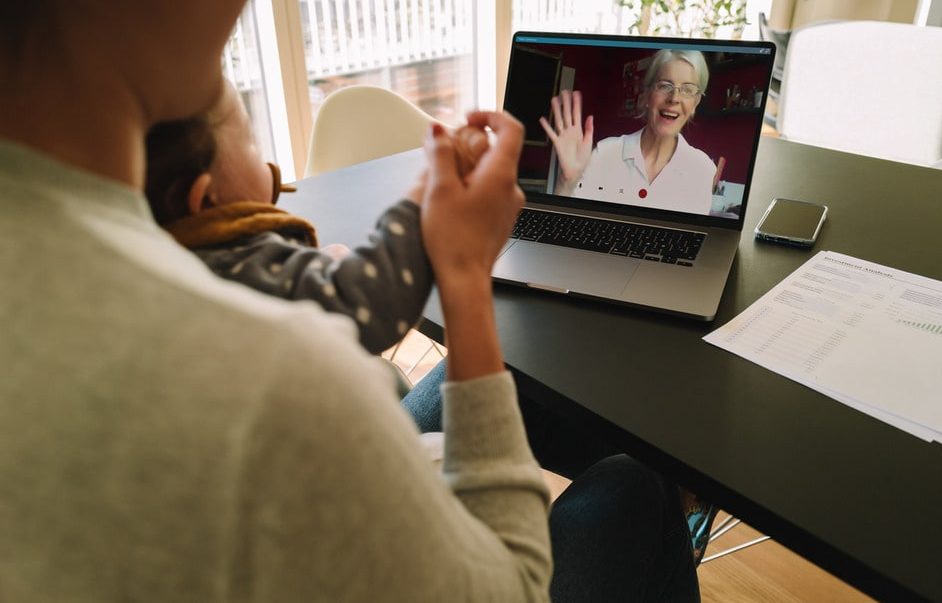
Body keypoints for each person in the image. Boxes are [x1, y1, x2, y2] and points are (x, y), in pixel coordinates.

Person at [0, 3, 698, 602]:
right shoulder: (270, 366)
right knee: (638, 487)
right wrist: (461, 274)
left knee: (518, 386)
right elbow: (506, 587)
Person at [144, 79, 437, 355]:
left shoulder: (171, 264)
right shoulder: (241, 265)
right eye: (253, 145)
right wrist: (421, 196)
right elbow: (373, 302)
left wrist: (317, 269)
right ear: (207, 198)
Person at [539, 49, 717, 215]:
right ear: (647, 94)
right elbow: (569, 224)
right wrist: (567, 181)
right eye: (665, 86)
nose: (674, 98)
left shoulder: (703, 170)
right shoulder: (606, 152)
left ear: (695, 103)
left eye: (687, 90)